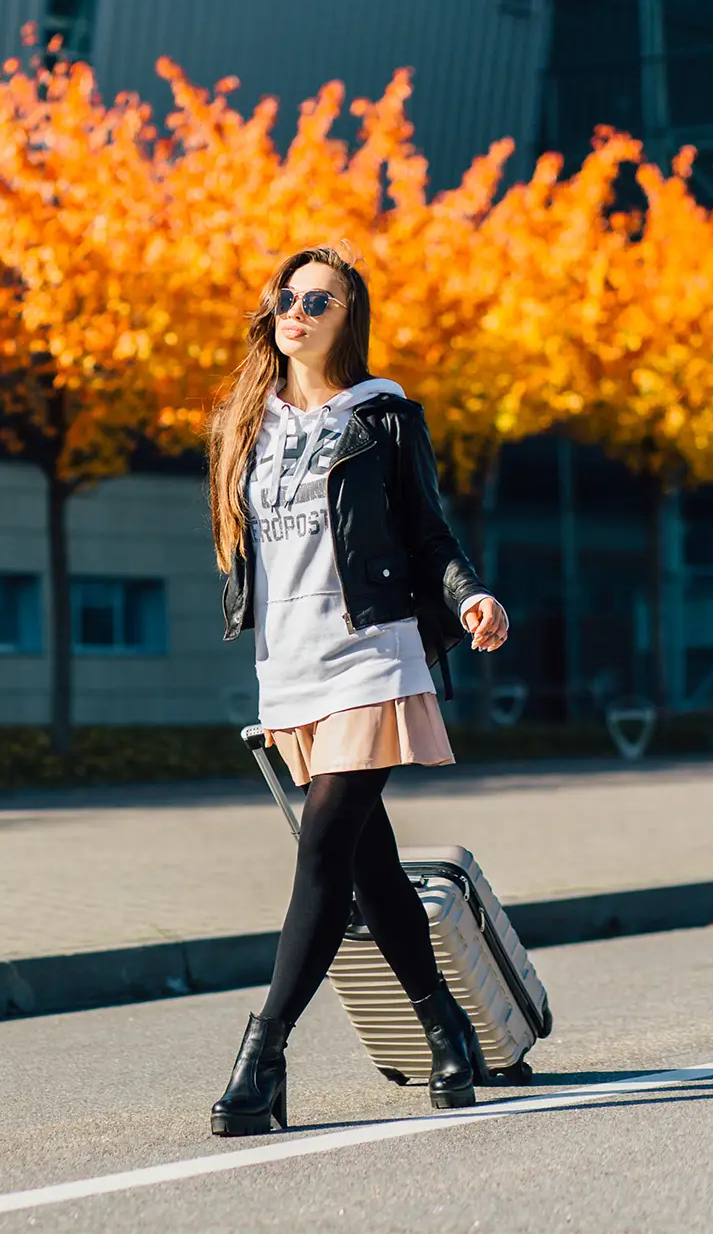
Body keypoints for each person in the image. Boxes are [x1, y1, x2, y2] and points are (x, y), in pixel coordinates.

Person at [206, 243, 511, 1137]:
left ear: (348, 319)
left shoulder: (383, 417)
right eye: (283, 296)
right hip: (289, 666)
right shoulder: (240, 424)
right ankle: (447, 1031)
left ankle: (262, 1060)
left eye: (317, 300)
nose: (294, 310)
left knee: (323, 852)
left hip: (371, 653)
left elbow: (427, 532)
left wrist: (470, 597)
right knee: (367, 861)